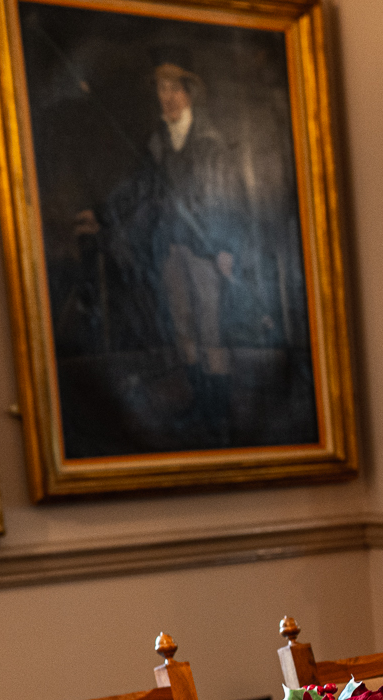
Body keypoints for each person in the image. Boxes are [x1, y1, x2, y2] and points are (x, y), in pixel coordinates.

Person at [72, 60, 247, 445]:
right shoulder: (156, 142)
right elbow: (136, 188)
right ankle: (199, 403)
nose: (166, 98)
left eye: (173, 90)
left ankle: (218, 412)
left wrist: (226, 248)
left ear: (189, 94)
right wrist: (101, 214)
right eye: (161, 91)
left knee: (211, 328)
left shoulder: (211, 142)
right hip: (171, 249)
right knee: (183, 325)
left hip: (206, 250)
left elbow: (229, 201)